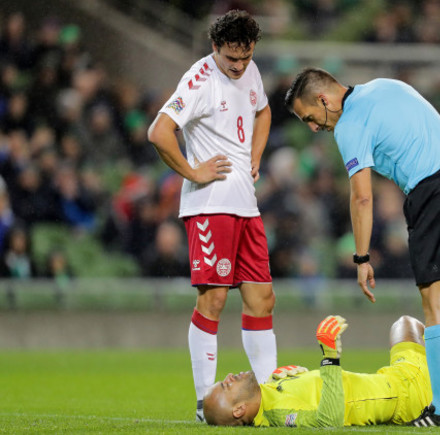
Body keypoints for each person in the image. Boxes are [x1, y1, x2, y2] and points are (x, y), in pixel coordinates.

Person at [284, 68, 440, 426]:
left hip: (432, 193)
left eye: (311, 117)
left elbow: (361, 197)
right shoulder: (387, 86)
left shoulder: (348, 124)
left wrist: (361, 258)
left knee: (436, 306)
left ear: (324, 99)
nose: (314, 127)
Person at [147, 10, 275, 422]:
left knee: (262, 299)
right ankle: (206, 402)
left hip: (245, 203)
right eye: (231, 59)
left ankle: (269, 399)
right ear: (214, 48)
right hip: (210, 206)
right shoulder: (199, 80)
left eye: (246, 57)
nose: (239, 67)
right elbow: (159, 132)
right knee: (214, 298)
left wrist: (254, 157)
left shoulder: (250, 71)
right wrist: (193, 171)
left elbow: (264, 112)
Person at [202, 315, 440, 427]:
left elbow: (317, 391)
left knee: (407, 330)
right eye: (225, 387)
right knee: (416, 329)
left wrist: (295, 373)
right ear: (238, 411)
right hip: (399, 392)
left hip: (395, 387)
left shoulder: (274, 388)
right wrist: (329, 358)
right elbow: (328, 420)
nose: (229, 377)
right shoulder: (278, 415)